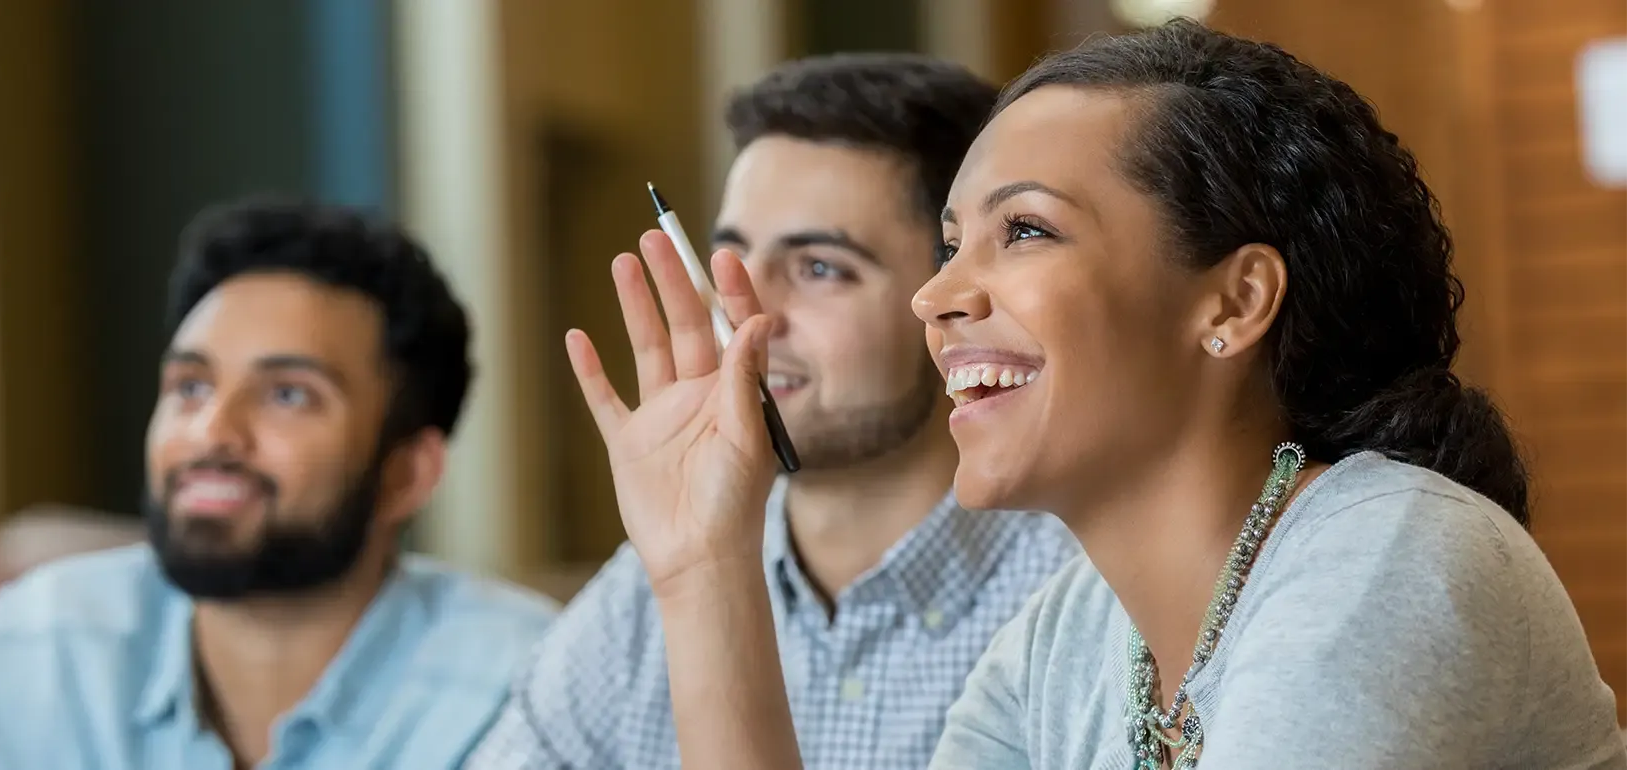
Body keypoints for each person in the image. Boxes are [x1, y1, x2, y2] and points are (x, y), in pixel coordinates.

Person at [563, 20, 1626, 770]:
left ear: (1233, 297)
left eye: (1022, 229)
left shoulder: (1388, 560)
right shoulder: (1068, 637)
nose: (936, 295)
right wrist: (704, 564)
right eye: (946, 244)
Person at [467, 54, 1078, 770]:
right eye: (727, 261)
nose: (743, 318)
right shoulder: (646, 589)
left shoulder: (1074, 599)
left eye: (821, 268)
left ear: (952, 295)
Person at [0, 198, 559, 769]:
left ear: (407, 474)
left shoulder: (525, 696)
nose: (212, 431)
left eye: (288, 395)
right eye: (192, 386)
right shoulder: (35, 656)